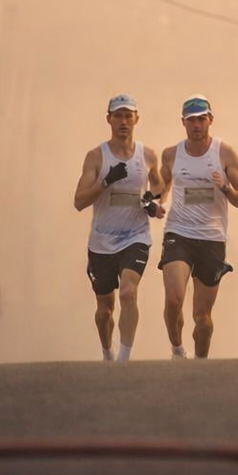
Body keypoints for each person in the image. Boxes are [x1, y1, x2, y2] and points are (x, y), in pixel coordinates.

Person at [73, 93, 165, 362]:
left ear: (137, 119)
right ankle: (107, 353)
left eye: (128, 116)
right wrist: (105, 182)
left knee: (128, 292)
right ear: (109, 119)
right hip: (101, 242)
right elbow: (78, 201)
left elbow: (158, 186)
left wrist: (152, 201)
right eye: (118, 116)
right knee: (104, 310)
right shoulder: (95, 157)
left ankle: (124, 360)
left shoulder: (147, 155)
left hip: (135, 237)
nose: (123, 121)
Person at [158, 95, 238, 359]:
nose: (196, 125)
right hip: (178, 233)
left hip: (211, 238)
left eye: (201, 119)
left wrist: (224, 187)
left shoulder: (224, 153)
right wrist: (156, 202)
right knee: (174, 299)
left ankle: (200, 365)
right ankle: (177, 348)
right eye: (191, 120)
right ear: (183, 122)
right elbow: (161, 189)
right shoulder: (171, 154)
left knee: (202, 318)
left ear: (210, 120)